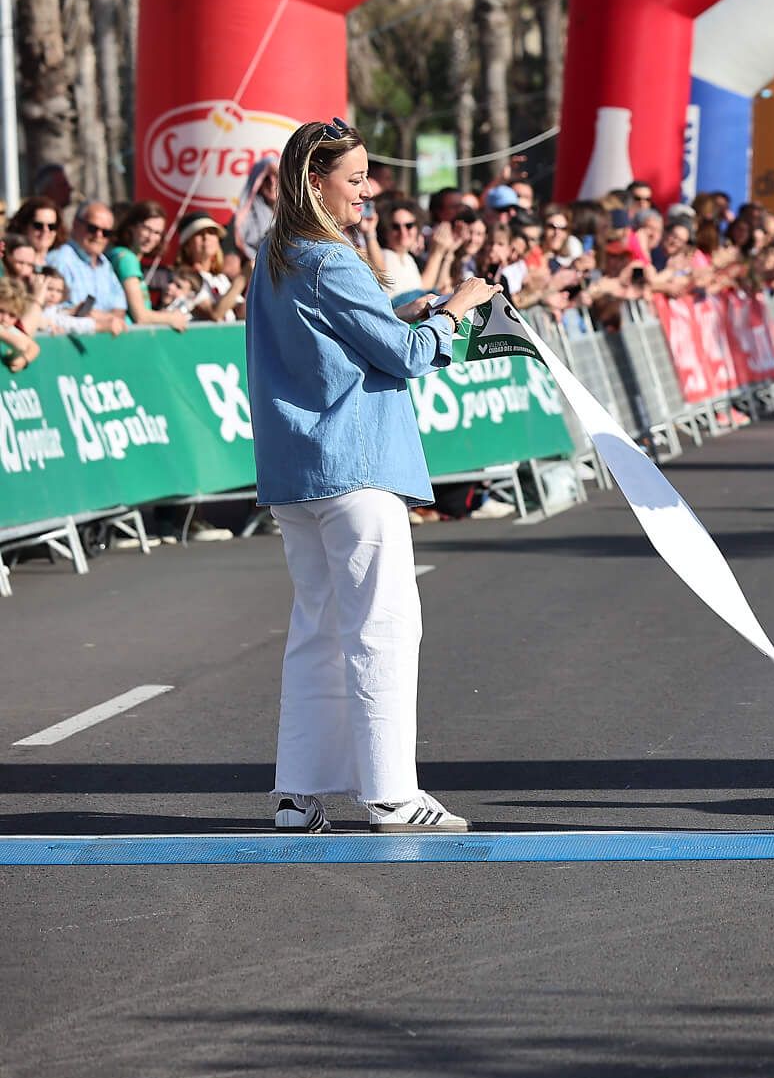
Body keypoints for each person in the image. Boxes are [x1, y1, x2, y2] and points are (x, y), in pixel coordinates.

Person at [247, 117, 497, 835]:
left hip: (297, 470)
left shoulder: (275, 254)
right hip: (355, 465)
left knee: (317, 631)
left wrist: (399, 306)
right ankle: (390, 794)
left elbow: (341, 328)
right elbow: (410, 356)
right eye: (354, 178)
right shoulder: (332, 258)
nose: (367, 191)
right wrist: (453, 310)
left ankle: (298, 795)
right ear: (315, 181)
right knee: (381, 628)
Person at [46, 201, 130, 335]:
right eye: (92, 228)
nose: (99, 236)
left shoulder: (105, 265)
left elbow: (119, 308)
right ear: (75, 224)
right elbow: (51, 312)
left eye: (106, 232)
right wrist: (101, 319)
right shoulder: (59, 260)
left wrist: (101, 317)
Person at [108, 202, 190, 332]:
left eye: (157, 233)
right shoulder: (127, 259)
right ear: (132, 226)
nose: (151, 238)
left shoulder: (123, 256)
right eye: (146, 229)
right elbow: (141, 317)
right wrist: (172, 318)